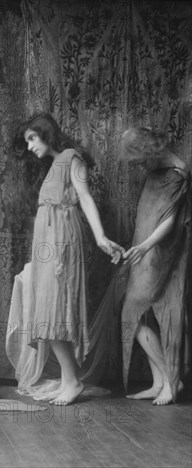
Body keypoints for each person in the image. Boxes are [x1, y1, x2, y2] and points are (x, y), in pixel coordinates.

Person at [6, 113, 123, 406]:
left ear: (46, 133)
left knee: (56, 309)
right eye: (27, 141)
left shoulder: (72, 157)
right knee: (47, 311)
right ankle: (70, 380)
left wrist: (100, 238)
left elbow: (84, 198)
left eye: (33, 138)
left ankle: (72, 382)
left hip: (62, 241)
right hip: (47, 242)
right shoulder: (51, 167)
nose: (30, 146)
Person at [119, 126, 190, 405]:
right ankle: (160, 381)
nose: (138, 167)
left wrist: (145, 246)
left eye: (139, 160)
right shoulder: (156, 169)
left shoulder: (176, 173)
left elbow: (169, 220)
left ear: (149, 151)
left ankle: (173, 380)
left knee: (133, 313)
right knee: (141, 316)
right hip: (146, 249)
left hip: (162, 253)